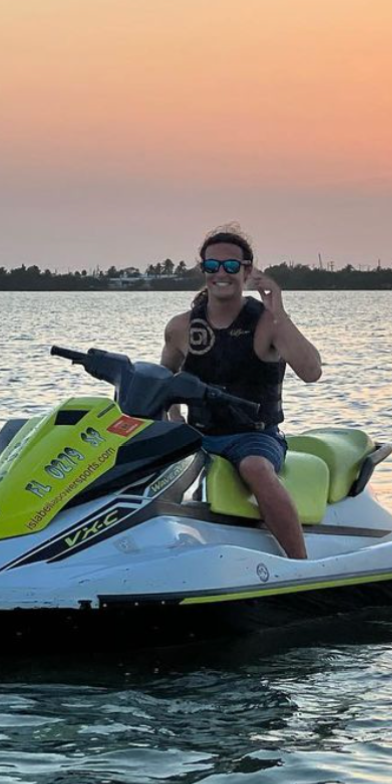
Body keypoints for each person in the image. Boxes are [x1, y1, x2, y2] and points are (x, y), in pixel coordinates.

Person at [161, 225, 322, 559]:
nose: (221, 273)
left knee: (254, 468)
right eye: (212, 265)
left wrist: (278, 311)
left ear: (247, 271)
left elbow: (311, 372)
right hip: (198, 436)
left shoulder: (268, 323)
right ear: (203, 269)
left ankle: (301, 563)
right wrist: (173, 417)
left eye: (231, 265)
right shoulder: (181, 327)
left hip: (254, 437)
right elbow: (164, 381)